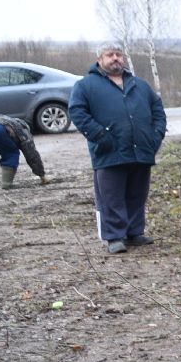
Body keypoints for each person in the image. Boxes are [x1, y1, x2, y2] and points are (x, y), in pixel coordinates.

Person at [68, 43, 166, 255]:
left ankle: (134, 233)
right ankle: (114, 236)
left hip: (140, 150)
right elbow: (77, 112)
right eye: (109, 55)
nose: (115, 58)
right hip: (108, 151)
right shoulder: (86, 86)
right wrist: (100, 136)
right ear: (99, 60)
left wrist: (155, 137)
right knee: (111, 196)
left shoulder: (140, 85)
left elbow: (158, 111)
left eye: (118, 55)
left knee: (137, 194)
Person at [0, 113, 49, 189]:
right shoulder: (23, 131)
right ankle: (6, 184)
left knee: (6, 148)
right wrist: (42, 175)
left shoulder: (6, 120)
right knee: (11, 153)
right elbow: (32, 156)